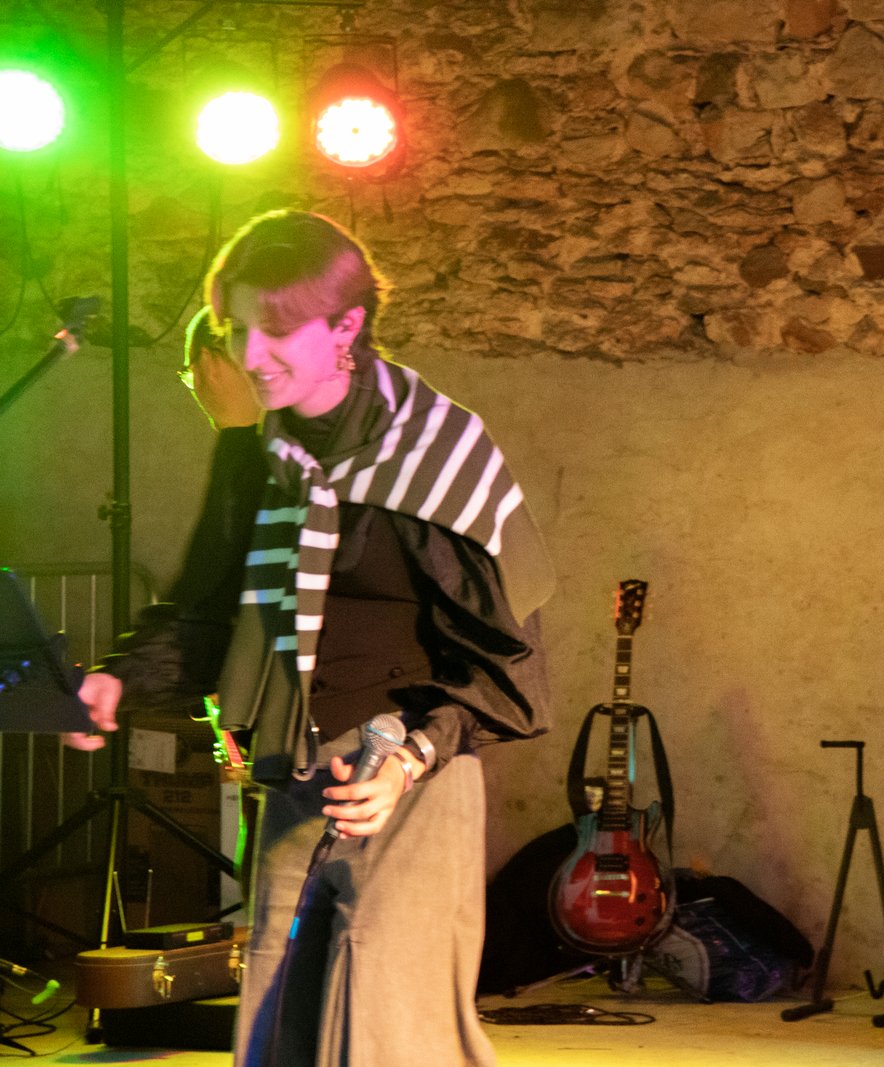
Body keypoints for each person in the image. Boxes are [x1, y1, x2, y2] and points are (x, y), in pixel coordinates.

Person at [69, 209, 555, 1067]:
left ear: (346, 327)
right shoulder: (253, 454)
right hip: (298, 770)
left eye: (277, 330)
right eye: (236, 329)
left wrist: (407, 760)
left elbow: (508, 665)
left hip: (411, 771)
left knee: (387, 1023)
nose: (251, 355)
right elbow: (205, 613)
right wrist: (116, 680)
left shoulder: (435, 452)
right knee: (281, 1014)